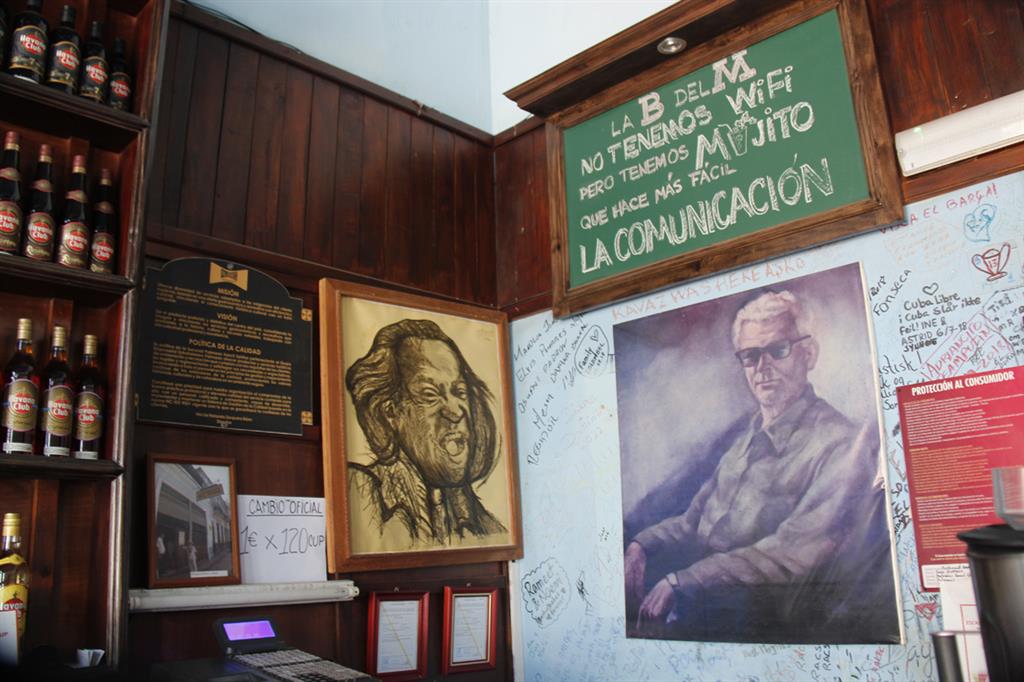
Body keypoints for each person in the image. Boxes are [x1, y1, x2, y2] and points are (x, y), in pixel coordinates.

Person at [623, 289, 897, 642]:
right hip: (706, 616)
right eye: (750, 356)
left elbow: (792, 553)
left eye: (778, 350)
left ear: (808, 354)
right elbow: (695, 522)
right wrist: (641, 546)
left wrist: (684, 581)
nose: (763, 369)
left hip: (776, 631)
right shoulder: (746, 436)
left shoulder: (841, 444)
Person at [345, 319, 506, 545]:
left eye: (459, 391)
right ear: (389, 412)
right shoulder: (364, 497)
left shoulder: (486, 526)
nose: (455, 411)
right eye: (430, 395)